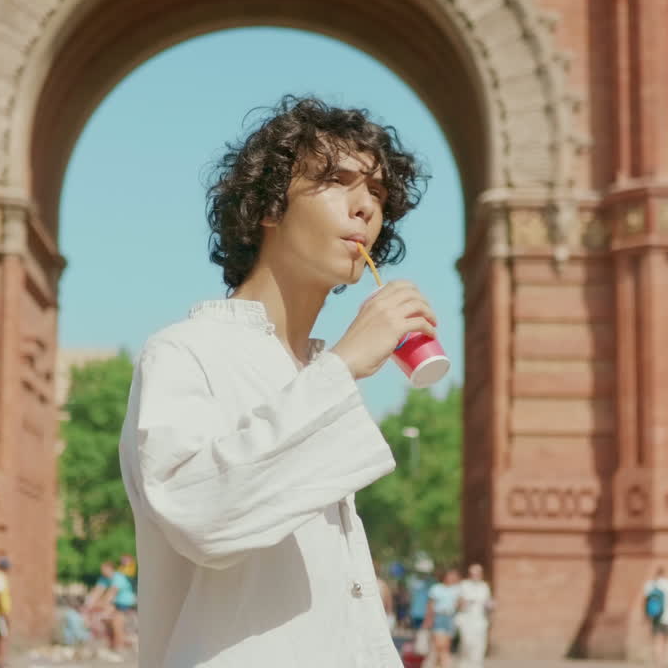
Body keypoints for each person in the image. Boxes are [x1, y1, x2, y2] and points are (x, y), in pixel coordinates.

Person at [118, 96, 432, 667]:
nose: (365, 206)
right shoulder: (185, 352)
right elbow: (201, 517)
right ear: (268, 205)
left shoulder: (311, 371)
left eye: (379, 193)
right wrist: (343, 368)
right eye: (338, 180)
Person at [87, 561, 138, 656]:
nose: (103, 572)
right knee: (106, 619)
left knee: (116, 620)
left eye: (104, 570)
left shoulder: (118, 577)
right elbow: (97, 591)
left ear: (111, 569)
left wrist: (98, 604)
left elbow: (111, 593)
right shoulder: (104, 578)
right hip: (115, 602)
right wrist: (90, 603)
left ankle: (119, 645)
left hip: (124, 602)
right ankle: (114, 643)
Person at [643, 565, 668, 668]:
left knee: (656, 639)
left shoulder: (650, 585)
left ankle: (658, 663)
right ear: (665, 574)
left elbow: (646, 602)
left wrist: (646, 616)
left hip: (655, 617)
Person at [455, 563, 492, 667]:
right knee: (467, 644)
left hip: (480, 621)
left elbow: (487, 603)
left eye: (478, 573)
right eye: (473, 574)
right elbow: (458, 603)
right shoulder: (464, 585)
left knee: (479, 647)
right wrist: (465, 603)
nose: (475, 576)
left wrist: (490, 605)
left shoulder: (484, 586)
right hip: (466, 620)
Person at [423, 568, 462, 668]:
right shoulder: (436, 588)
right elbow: (430, 605)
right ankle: (446, 663)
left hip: (450, 618)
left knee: (443, 647)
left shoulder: (456, 589)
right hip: (439, 617)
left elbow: (459, 605)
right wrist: (428, 620)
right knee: (441, 646)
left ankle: (438, 664)